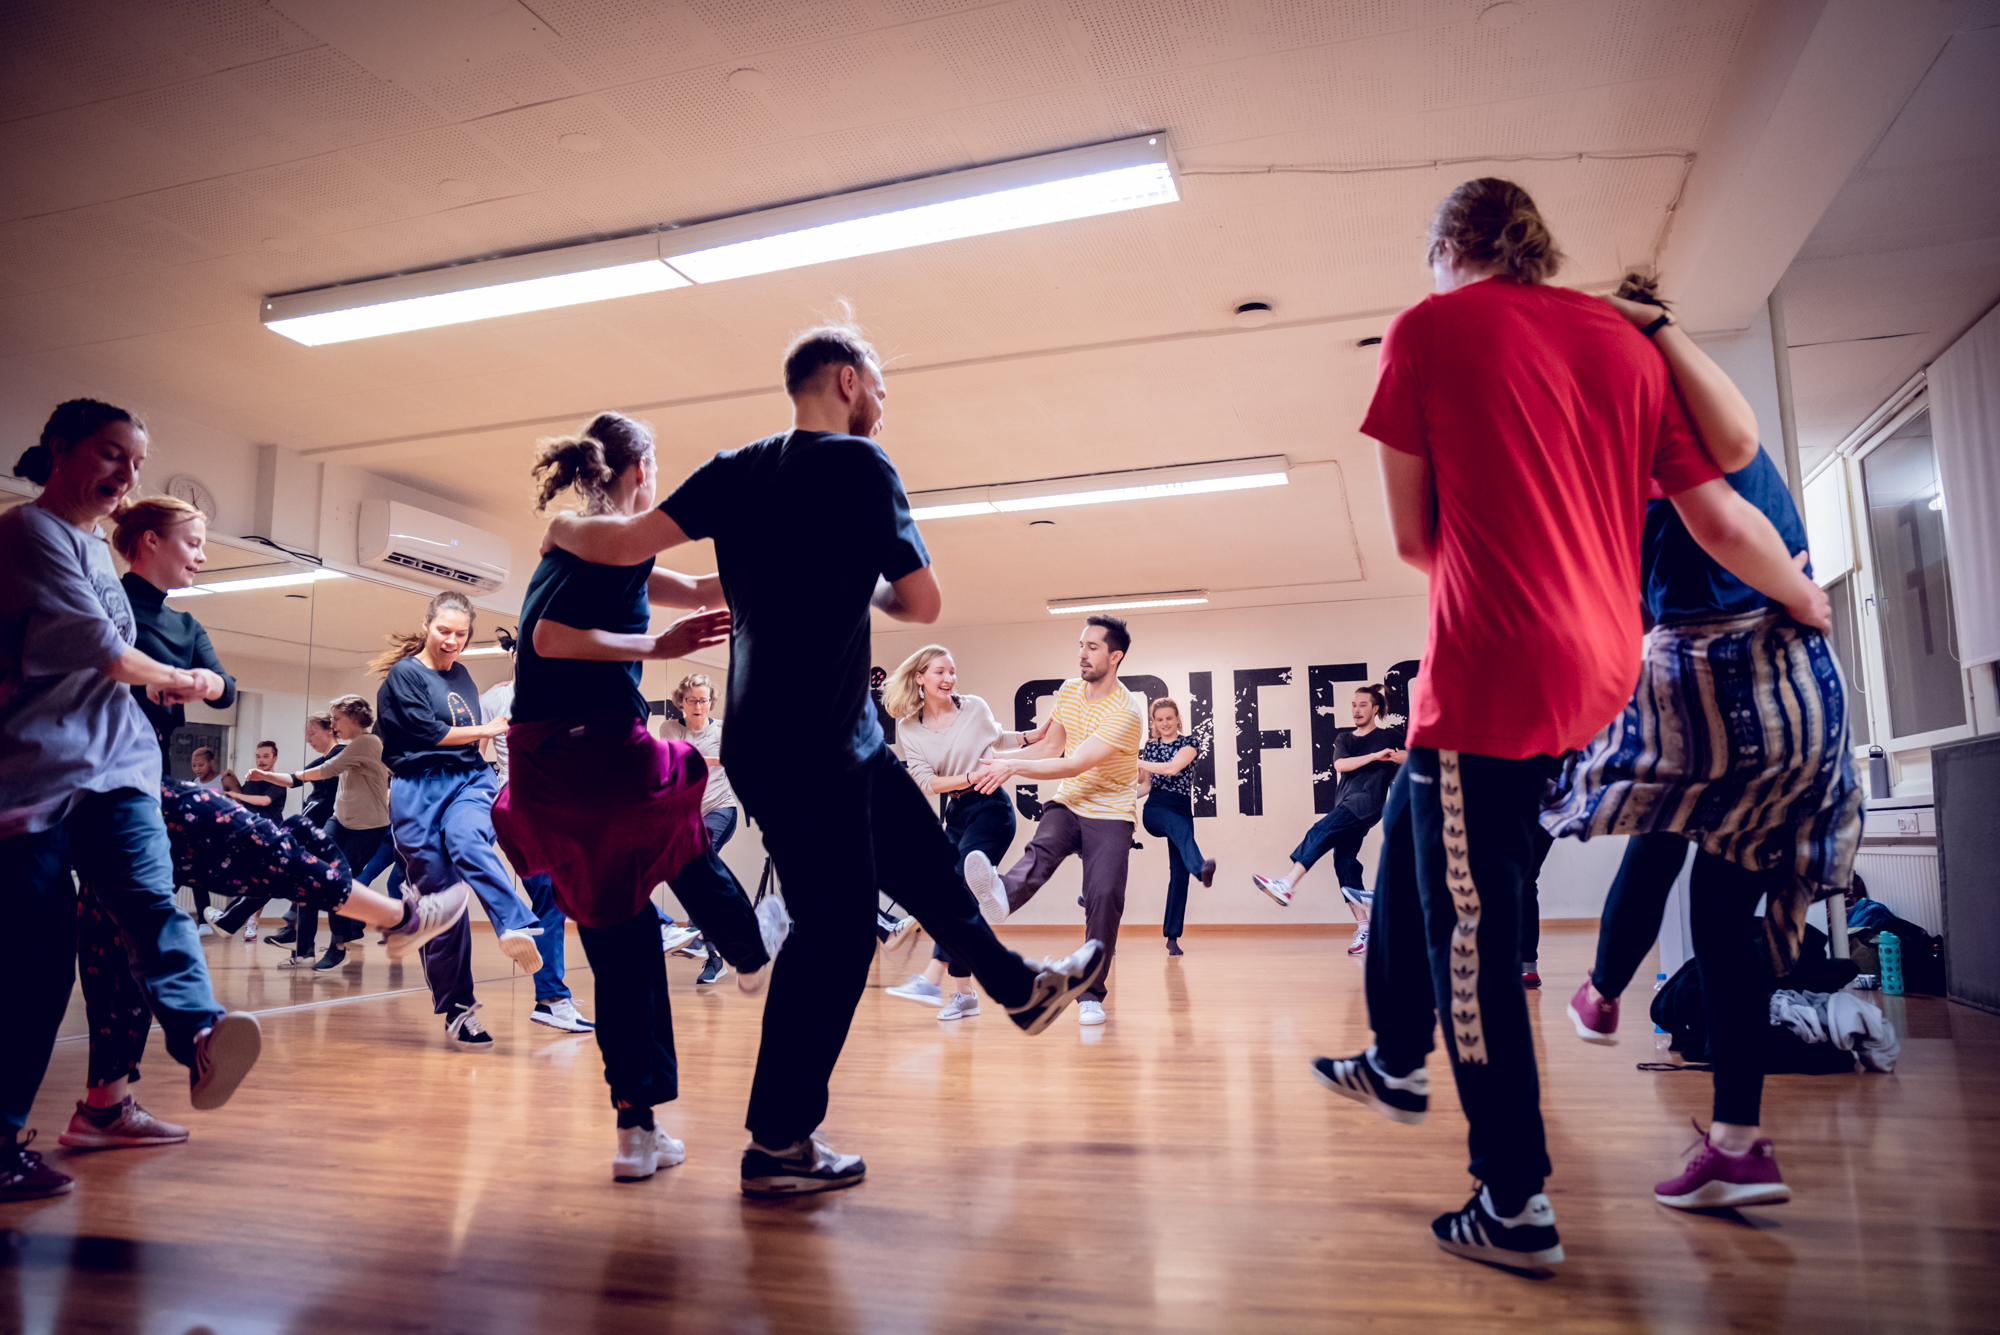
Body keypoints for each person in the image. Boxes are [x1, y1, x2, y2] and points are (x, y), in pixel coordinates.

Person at [1309, 180, 1830, 1268]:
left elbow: (1413, 539)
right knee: (1418, 818)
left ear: (1449, 251)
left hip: (1494, 666)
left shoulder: (1427, 328)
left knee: (1477, 939)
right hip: (1601, 674)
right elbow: (1720, 513)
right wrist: (1796, 592)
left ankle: (1510, 1201)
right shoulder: (1620, 343)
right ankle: (1395, 1058)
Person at [542, 317, 1107, 1196]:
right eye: (879, 383)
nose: (883, 400)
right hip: (817, 745)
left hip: (800, 739)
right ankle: (778, 1144)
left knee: (922, 856)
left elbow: (621, 543)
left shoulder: (736, 468)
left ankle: (1015, 985)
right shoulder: (862, 464)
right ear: (846, 381)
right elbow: (921, 604)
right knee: (837, 933)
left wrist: (562, 534)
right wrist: (863, 576)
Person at [1544, 274, 1863, 1212]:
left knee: (1630, 812)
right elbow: (1735, 454)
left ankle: (1600, 992)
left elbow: (1715, 526)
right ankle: (1737, 1141)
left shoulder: (1649, 445)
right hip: (1807, 694)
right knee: (1722, 910)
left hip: (1719, 675)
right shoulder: (1726, 425)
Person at [490, 412, 787, 1182]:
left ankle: (636, 1131)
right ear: (641, 464)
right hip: (583, 754)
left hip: (556, 774)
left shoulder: (612, 551)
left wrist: (804, 564)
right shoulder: (577, 528)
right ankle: (752, 954)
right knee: (680, 820)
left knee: (620, 943)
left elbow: (693, 586)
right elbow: (549, 638)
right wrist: (657, 644)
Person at [1, 400, 262, 1199]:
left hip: (116, 769)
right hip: (36, 780)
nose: (126, 474)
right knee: (36, 969)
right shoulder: (27, 532)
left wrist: (193, 674)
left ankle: (203, 1031)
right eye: (113, 454)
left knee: (153, 903)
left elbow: (119, 657)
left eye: (137, 463)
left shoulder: (88, 549)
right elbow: (108, 654)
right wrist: (181, 677)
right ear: (60, 450)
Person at [373, 590, 544, 1051]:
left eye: (461, 634)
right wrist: (488, 729)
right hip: (417, 788)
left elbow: (468, 743)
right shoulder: (404, 676)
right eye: (444, 631)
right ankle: (458, 1009)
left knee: (468, 837)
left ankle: (512, 922)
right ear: (427, 625)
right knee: (441, 904)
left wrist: (485, 748)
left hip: (469, 779)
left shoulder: (464, 675)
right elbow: (428, 734)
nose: (452, 641)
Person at [962, 615, 1143, 1027]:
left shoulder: (1127, 712)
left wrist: (1011, 770)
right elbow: (1051, 745)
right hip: (1071, 801)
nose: (1082, 653)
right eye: (1080, 645)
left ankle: (1091, 995)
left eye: (1092, 647)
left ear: (1115, 657)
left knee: (1105, 895)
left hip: (1112, 810)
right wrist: (995, 761)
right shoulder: (1068, 691)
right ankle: (1004, 894)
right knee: (1043, 847)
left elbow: (1074, 763)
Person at [881, 645, 1037, 1018]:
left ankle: (932, 978)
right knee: (949, 896)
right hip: (957, 813)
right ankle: (964, 993)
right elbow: (925, 782)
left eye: (952, 671)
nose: (949, 679)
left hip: (992, 808)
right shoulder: (908, 727)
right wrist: (967, 776)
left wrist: (1032, 737)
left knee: (962, 888)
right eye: (940, 672)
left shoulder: (974, 707)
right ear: (920, 678)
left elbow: (995, 738)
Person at [480, 646, 595, 1032]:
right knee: (549, 891)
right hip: (514, 806)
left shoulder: (558, 692)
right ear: (513, 654)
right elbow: (478, 751)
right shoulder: (494, 699)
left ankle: (550, 997)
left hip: (549, 807)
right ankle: (548, 994)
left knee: (553, 894)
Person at [1252, 684, 1405, 956]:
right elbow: (1340, 765)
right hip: (1346, 802)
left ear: (1375, 708)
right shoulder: (1344, 738)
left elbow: (1415, 757)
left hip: (1365, 803)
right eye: (1354, 705)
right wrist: (1375, 756)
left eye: (1363, 705)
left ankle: (1287, 884)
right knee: (1344, 862)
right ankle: (1365, 928)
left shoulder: (1390, 735)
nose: (1357, 710)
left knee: (1320, 830)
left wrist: (1398, 756)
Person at [244, 694, 394, 970]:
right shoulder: (352, 746)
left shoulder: (367, 743)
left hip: (368, 827)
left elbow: (324, 771)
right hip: (340, 820)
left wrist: (275, 776)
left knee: (337, 880)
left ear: (354, 718)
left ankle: (338, 946)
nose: (334, 724)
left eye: (337, 719)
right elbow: (297, 777)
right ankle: (301, 941)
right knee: (315, 872)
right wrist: (266, 775)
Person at [658, 672, 744, 988]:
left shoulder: (722, 730)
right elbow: (670, 763)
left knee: (697, 866)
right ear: (681, 702)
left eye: (703, 700)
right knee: (696, 877)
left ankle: (701, 942)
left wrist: (703, 759)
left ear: (711, 702)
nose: (698, 706)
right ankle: (717, 954)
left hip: (719, 810)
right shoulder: (669, 728)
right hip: (686, 816)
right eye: (692, 700)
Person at [1137, 697, 1213, 957]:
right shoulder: (1149, 747)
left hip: (1181, 808)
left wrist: (1137, 762)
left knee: (1178, 874)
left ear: (1178, 718)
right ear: (1154, 723)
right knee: (1179, 830)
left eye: (1169, 718)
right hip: (1156, 809)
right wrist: (1118, 797)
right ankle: (1201, 869)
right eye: (1160, 720)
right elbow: (1145, 786)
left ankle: (1172, 937)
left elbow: (1173, 768)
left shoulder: (1189, 743)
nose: (1165, 723)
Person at [228, 741, 289, 816]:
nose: (261, 760)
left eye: (265, 756)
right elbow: (243, 796)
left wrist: (236, 795)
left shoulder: (279, 780)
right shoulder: (252, 779)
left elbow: (264, 801)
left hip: (270, 825)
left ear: (275, 758)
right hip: (250, 823)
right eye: (258, 757)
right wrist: (232, 778)